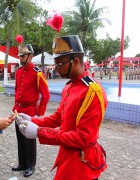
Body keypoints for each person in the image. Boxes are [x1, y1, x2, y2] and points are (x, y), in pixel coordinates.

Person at [15, 35, 108, 179]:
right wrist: (33, 120)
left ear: (76, 61)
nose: (56, 69)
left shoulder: (92, 91)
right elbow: (59, 117)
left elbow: (83, 138)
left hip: (82, 163)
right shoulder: (70, 86)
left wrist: (39, 132)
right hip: (67, 153)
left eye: (59, 64)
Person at [12, 43, 50, 177]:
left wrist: (39, 113)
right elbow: (17, 91)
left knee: (29, 140)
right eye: (20, 56)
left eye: (23, 56)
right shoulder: (18, 72)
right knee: (20, 138)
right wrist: (15, 108)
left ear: (30, 56)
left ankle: (30, 165)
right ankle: (22, 163)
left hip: (30, 111)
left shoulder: (37, 73)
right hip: (19, 110)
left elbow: (46, 95)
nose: (21, 58)